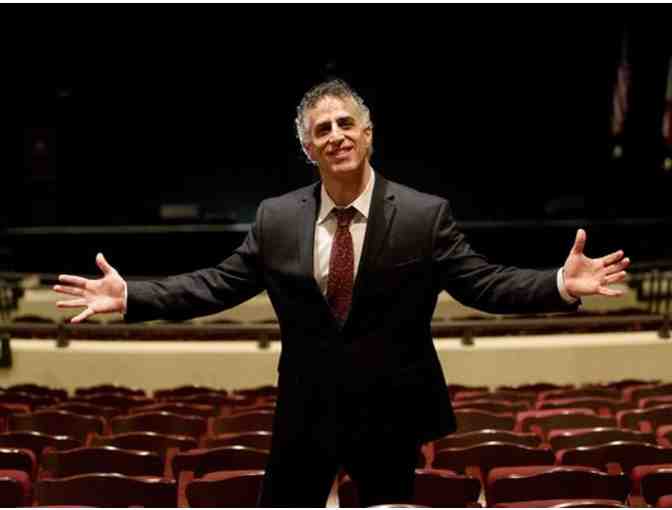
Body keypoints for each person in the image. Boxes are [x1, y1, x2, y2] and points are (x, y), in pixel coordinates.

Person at [53, 79, 630, 507]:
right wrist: (132, 296)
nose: (336, 136)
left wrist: (559, 283)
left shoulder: (424, 215)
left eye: (345, 123)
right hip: (304, 415)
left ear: (368, 133)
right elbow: (215, 284)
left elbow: (485, 282)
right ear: (309, 149)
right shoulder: (276, 218)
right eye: (321, 130)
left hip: (392, 416)